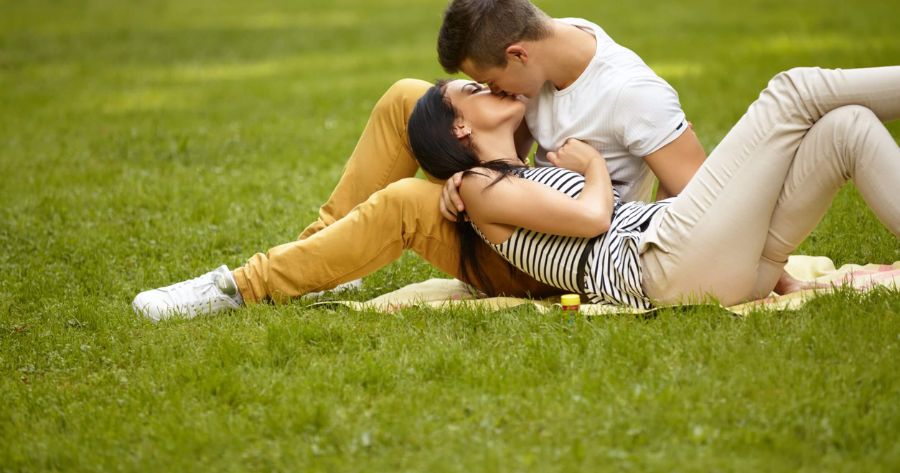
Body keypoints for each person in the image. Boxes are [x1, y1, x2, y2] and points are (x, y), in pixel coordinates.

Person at [132, 0, 710, 321]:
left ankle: (239, 287)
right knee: (408, 97)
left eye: (488, 83)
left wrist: (641, 266)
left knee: (407, 202)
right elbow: (512, 155)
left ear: (518, 55)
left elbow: (697, 200)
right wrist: (479, 179)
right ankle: (318, 256)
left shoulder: (632, 94)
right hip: (515, 207)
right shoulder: (552, 45)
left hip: (559, 254)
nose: (494, 93)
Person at [406, 68, 900, 308]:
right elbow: (594, 220)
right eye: (474, 90)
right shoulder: (480, 186)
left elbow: (609, 226)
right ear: (459, 128)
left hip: (714, 267)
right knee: (791, 91)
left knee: (844, 129)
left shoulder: (502, 180)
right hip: (665, 267)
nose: (491, 87)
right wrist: (593, 163)